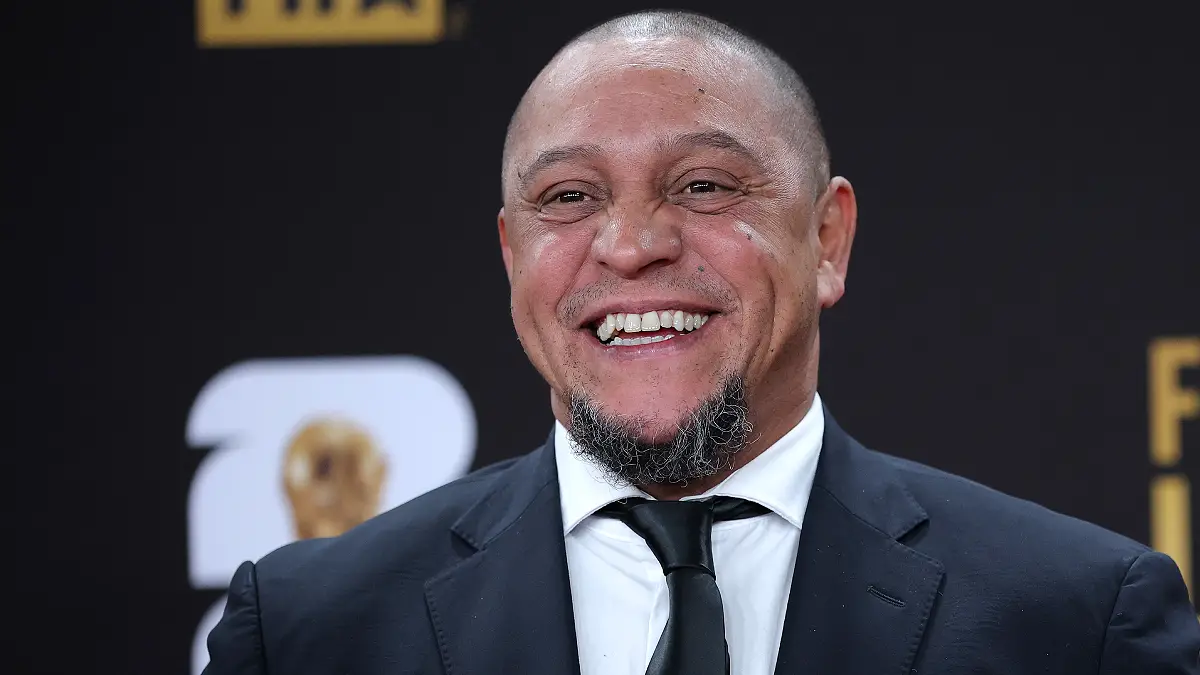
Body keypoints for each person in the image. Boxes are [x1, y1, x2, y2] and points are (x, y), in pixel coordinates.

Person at [202, 10, 1200, 675]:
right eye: (568, 198)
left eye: (705, 185)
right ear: (512, 255)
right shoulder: (305, 635)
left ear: (828, 238)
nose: (632, 246)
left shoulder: (1078, 625)